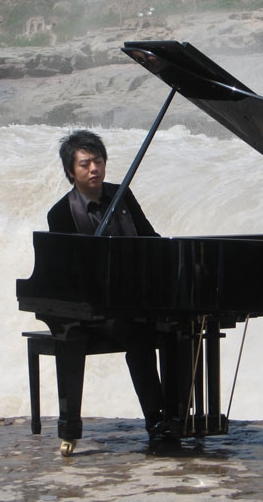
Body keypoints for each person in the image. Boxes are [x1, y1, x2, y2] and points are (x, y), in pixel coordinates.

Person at [47, 129, 170, 438]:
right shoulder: (60, 214)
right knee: (138, 334)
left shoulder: (122, 194)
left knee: (178, 326)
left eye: (98, 161)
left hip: (135, 300)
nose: (94, 169)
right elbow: (66, 273)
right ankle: (156, 420)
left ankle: (178, 414)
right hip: (92, 311)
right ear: (70, 171)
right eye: (85, 164)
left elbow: (149, 239)